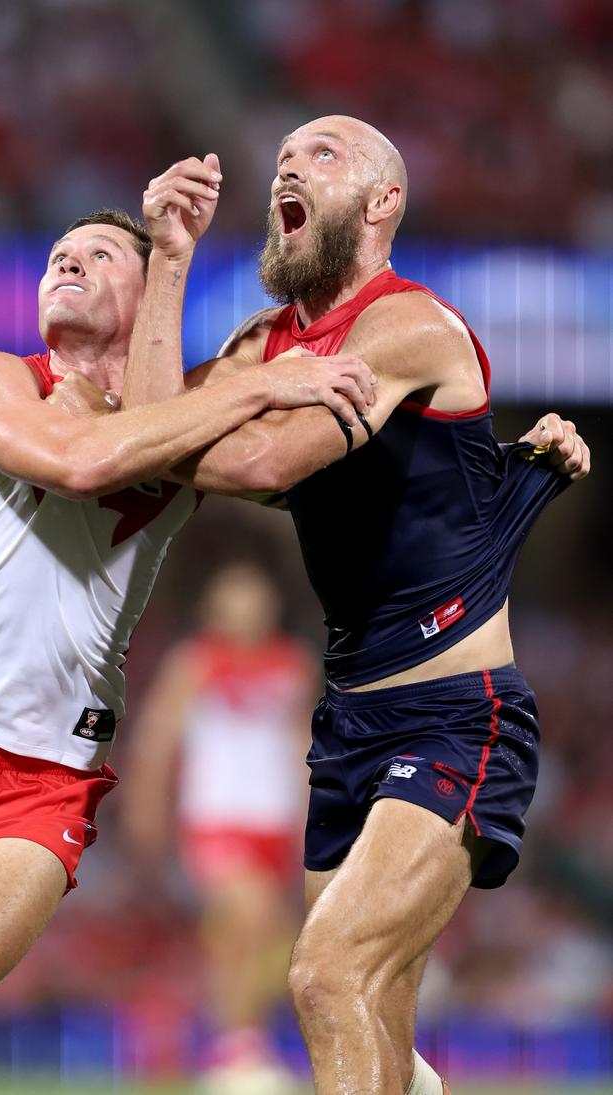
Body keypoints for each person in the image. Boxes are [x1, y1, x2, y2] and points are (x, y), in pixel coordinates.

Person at [0, 166, 377, 1095]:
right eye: (59, 255)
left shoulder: (182, 432)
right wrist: (267, 387)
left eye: (99, 254)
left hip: (38, 782)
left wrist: (182, 262)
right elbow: (79, 464)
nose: (66, 261)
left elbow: (196, 443)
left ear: (144, 297)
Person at [123, 118, 592, 1094]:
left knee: (326, 975)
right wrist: (168, 265)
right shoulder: (270, 344)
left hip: (457, 718)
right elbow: (153, 435)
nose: (290, 163)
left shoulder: (407, 325)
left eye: (325, 154)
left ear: (382, 204)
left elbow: (255, 459)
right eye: (286, 156)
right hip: (348, 730)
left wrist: (168, 437)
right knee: (375, 1030)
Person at [125, 562, 315, 1094]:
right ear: (213, 611)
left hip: (275, 821)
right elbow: (158, 741)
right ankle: (238, 1046)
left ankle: (237, 1044)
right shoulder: (195, 664)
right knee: (247, 913)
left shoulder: (292, 664)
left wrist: (311, 817)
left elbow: (303, 744)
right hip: (215, 818)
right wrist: (147, 811)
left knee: (265, 935)